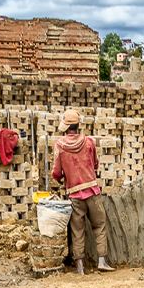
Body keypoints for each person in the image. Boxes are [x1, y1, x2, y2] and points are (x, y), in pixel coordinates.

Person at [50, 109, 113, 273]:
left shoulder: (60, 145)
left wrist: (63, 179)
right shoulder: (89, 142)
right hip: (92, 191)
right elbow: (95, 164)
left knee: (77, 230)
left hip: (74, 195)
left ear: (66, 127)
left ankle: (80, 266)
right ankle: (101, 261)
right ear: (78, 126)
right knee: (99, 225)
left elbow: (56, 172)